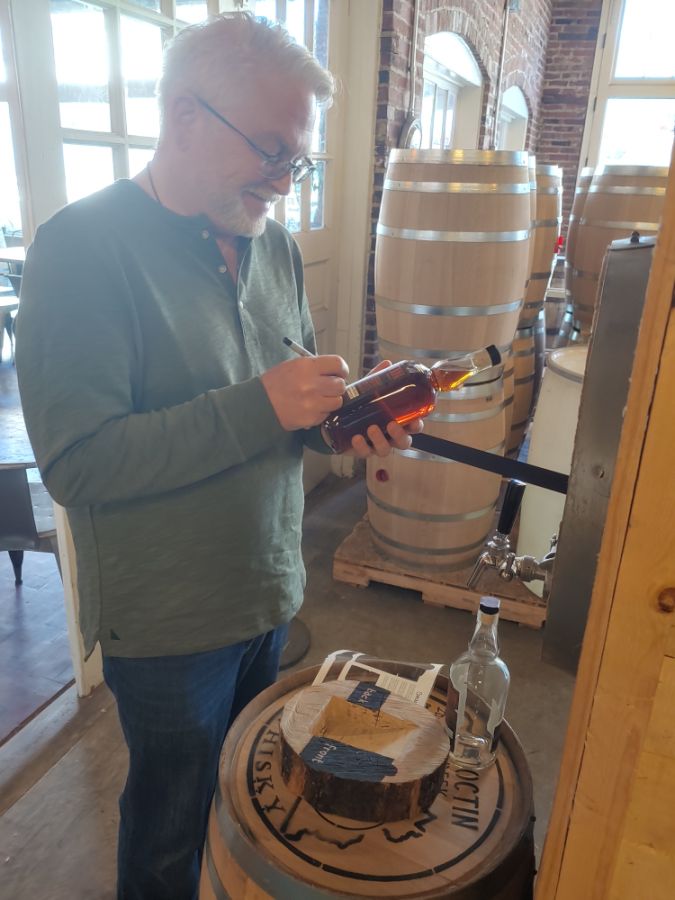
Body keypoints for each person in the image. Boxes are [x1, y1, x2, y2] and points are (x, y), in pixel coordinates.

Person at [15, 13, 422, 900]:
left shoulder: (274, 246)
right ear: (183, 117)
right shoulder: (80, 250)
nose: (282, 181)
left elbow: (285, 410)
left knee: (241, 801)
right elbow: (79, 463)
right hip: (169, 622)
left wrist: (340, 424)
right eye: (269, 151)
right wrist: (261, 404)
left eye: (296, 160)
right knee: (169, 831)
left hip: (268, 590)